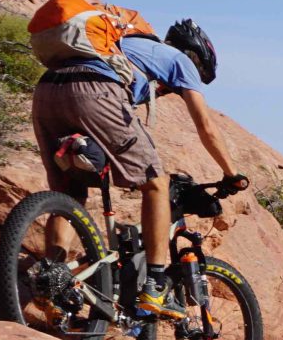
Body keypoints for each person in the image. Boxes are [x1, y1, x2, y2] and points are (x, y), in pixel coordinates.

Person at [30, 19, 237, 320]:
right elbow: (206, 127)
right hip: (96, 91)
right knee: (156, 184)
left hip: (48, 90)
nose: (168, 92)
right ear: (196, 57)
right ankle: (155, 282)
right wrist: (232, 174)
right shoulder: (180, 61)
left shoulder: (122, 45)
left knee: (69, 192)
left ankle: (52, 277)